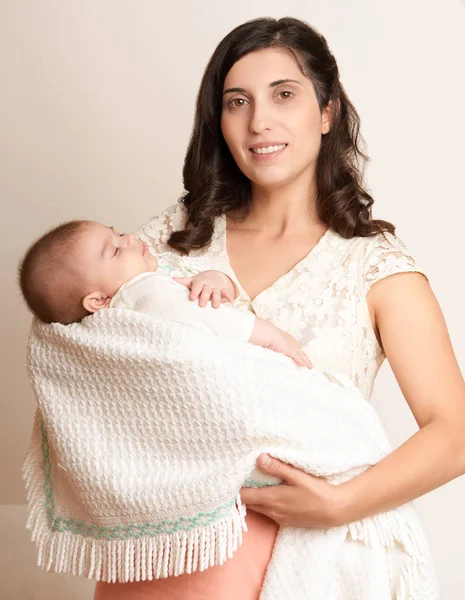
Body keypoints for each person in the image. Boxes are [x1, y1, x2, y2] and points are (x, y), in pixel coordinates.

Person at [94, 16, 465, 600]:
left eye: (284, 95)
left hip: (311, 565)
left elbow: (456, 433)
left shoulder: (376, 269)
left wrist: (338, 504)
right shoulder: (170, 238)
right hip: (165, 557)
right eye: (236, 101)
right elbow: (98, 357)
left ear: (327, 112)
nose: (259, 122)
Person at [18, 219, 313, 367]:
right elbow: (214, 319)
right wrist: (273, 337)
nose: (131, 238)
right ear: (98, 301)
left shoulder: (140, 291)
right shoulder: (145, 292)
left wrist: (217, 279)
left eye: (118, 233)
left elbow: (204, 295)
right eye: (116, 249)